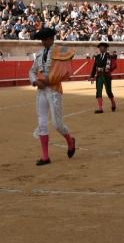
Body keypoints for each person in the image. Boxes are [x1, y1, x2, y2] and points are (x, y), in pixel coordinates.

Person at [28, 28, 76, 166]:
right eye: (42, 40)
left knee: (57, 124)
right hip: (41, 90)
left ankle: (70, 140)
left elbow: (65, 72)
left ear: (51, 39)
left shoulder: (60, 52)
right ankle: (45, 157)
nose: (43, 42)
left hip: (54, 90)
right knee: (42, 122)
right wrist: (35, 81)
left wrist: (47, 81)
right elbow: (32, 71)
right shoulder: (39, 54)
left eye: (45, 39)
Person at [89, 42, 117, 113]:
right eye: (100, 47)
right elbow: (95, 66)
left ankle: (113, 103)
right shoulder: (97, 57)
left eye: (102, 47)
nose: (101, 48)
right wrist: (92, 76)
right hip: (99, 76)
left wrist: (108, 70)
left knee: (108, 91)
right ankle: (100, 108)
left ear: (105, 48)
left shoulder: (109, 56)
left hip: (106, 76)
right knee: (98, 91)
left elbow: (114, 65)